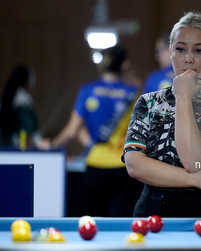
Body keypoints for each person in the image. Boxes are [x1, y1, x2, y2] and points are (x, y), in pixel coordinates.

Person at [122, 12, 201, 217]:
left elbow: (193, 161)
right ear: (170, 51)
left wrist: (183, 98)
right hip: (150, 213)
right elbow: (134, 165)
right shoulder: (148, 102)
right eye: (180, 49)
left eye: (199, 50)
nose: (188, 59)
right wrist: (194, 179)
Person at [38, 44, 143, 217]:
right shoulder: (134, 93)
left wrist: (52, 145)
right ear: (124, 64)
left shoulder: (87, 90)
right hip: (124, 167)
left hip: (95, 166)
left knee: (94, 224)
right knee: (120, 225)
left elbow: (73, 130)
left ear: (102, 65)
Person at [0, 65, 42, 148]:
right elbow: (25, 128)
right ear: (26, 82)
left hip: (6, 147)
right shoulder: (23, 99)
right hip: (20, 147)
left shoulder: (7, 97)